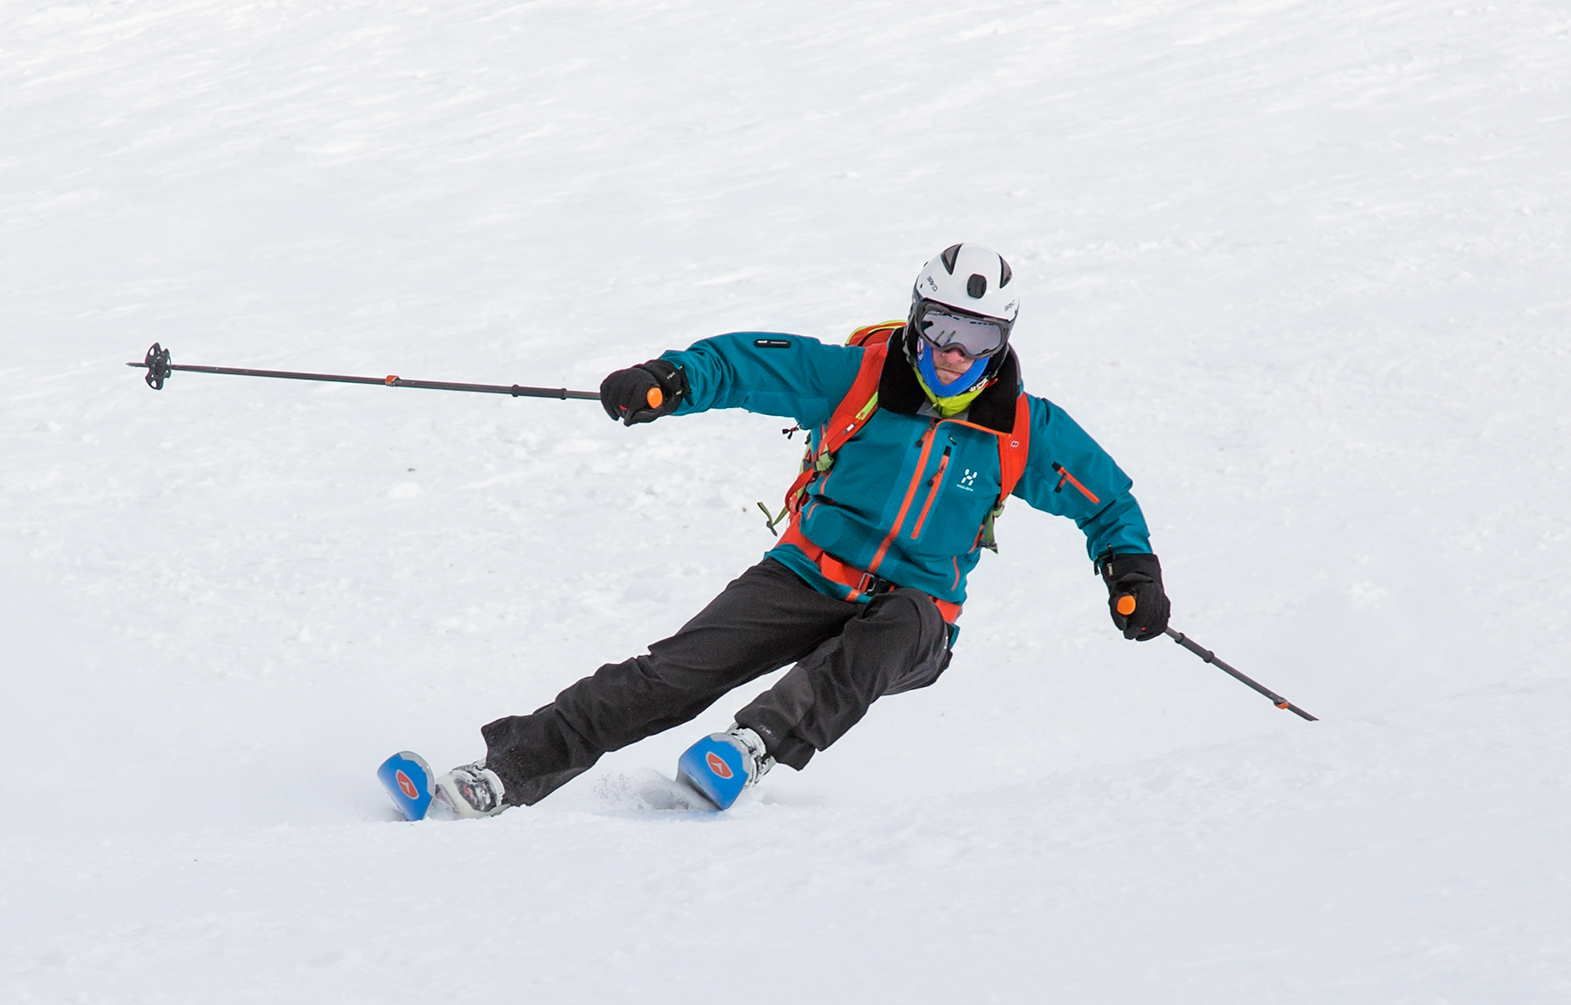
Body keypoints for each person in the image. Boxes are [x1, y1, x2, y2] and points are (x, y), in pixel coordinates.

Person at [431, 242, 1169, 815]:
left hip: (916, 617)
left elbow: (1105, 500)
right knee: (671, 675)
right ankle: (507, 770)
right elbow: (749, 363)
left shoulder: (1024, 430)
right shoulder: (858, 378)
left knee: (895, 626)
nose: (954, 353)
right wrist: (672, 379)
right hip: (807, 574)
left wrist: (1131, 570)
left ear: (1002, 341)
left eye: (978, 338)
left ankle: (752, 746)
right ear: (917, 317)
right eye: (942, 327)